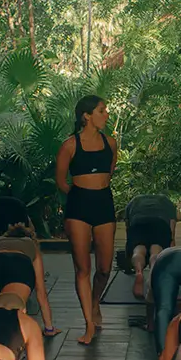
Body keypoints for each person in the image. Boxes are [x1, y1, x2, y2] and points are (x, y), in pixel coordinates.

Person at [54, 95, 118, 345]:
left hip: (103, 203)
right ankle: (88, 324)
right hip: (79, 205)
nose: (106, 115)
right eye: (102, 111)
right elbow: (61, 181)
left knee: (104, 268)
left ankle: (95, 301)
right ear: (87, 116)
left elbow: (110, 170)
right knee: (83, 268)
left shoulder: (110, 143)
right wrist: (79, 195)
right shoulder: (69, 145)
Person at [0, 222, 57, 337]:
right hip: (19, 265)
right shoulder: (31, 244)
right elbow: (41, 291)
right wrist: (49, 328)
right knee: (10, 319)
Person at [124, 193, 178, 298]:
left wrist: (129, 248)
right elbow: (172, 228)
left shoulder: (134, 200)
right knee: (156, 251)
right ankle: (153, 273)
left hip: (138, 222)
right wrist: (171, 244)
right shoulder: (166, 200)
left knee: (138, 250)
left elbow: (128, 227)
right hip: (159, 222)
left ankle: (139, 272)